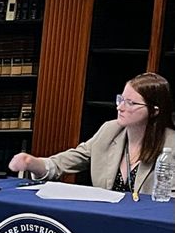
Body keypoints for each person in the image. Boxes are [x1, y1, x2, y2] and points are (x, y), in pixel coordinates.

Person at [9, 72, 175, 193]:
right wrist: (32, 163)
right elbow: (64, 162)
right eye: (121, 99)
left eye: (130, 103)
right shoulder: (110, 130)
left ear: (154, 111)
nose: (120, 107)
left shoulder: (171, 145)